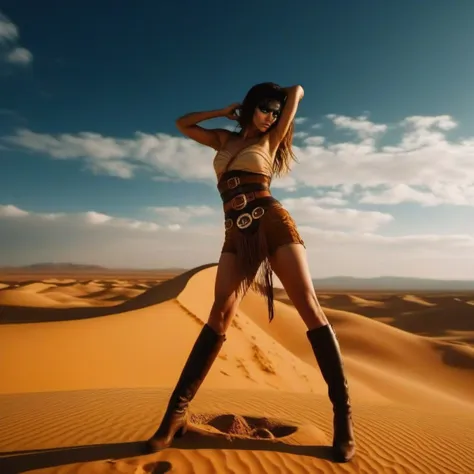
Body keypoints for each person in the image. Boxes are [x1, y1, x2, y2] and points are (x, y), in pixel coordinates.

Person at [146, 82, 356, 462]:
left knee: (309, 307)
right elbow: (182, 124)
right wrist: (223, 111)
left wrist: (283, 97)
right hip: (235, 230)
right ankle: (174, 417)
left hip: (271, 221)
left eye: (275, 112)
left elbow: (298, 91)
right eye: (264, 109)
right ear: (249, 108)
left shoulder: (271, 141)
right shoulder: (222, 140)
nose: (271, 117)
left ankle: (343, 420)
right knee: (219, 314)